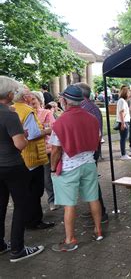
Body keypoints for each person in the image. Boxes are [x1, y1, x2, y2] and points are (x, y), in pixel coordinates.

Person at [49, 85, 103, 252]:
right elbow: (98, 138)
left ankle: (70, 239)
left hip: (69, 166)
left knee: (69, 204)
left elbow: (56, 150)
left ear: (65, 100)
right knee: (93, 197)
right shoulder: (92, 118)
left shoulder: (60, 122)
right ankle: (98, 231)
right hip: (89, 163)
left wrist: (52, 168)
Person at [0, 76, 45, 262]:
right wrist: (24, 137)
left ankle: (1, 244)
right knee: (22, 205)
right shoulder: (10, 115)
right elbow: (19, 144)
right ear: (10, 93)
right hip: (13, 166)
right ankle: (18, 249)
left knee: (1, 204)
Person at [12, 85, 54, 230]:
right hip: (32, 155)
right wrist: (47, 130)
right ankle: (34, 221)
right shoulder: (27, 111)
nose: (31, 96)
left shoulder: (13, 108)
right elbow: (33, 134)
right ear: (25, 97)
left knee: (26, 191)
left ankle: (27, 219)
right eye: (29, 94)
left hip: (21, 155)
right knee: (35, 191)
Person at [75, 82, 109, 225]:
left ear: (79, 94)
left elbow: (93, 133)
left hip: (89, 151)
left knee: (90, 181)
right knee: (89, 182)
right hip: (88, 151)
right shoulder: (87, 107)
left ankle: (100, 213)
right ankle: (96, 210)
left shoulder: (87, 109)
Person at [30, 91, 58, 211]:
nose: (31, 103)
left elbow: (53, 129)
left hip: (46, 149)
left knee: (47, 178)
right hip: (32, 151)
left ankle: (52, 200)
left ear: (40, 101)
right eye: (29, 101)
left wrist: (36, 132)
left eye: (33, 100)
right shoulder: (28, 114)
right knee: (36, 179)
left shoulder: (46, 113)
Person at [116, 87, 131, 160]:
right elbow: (121, 112)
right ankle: (123, 154)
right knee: (123, 138)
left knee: (123, 138)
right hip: (124, 122)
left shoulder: (122, 101)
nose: (129, 94)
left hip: (124, 121)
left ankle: (124, 153)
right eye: (128, 93)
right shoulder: (122, 101)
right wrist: (123, 123)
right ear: (125, 93)